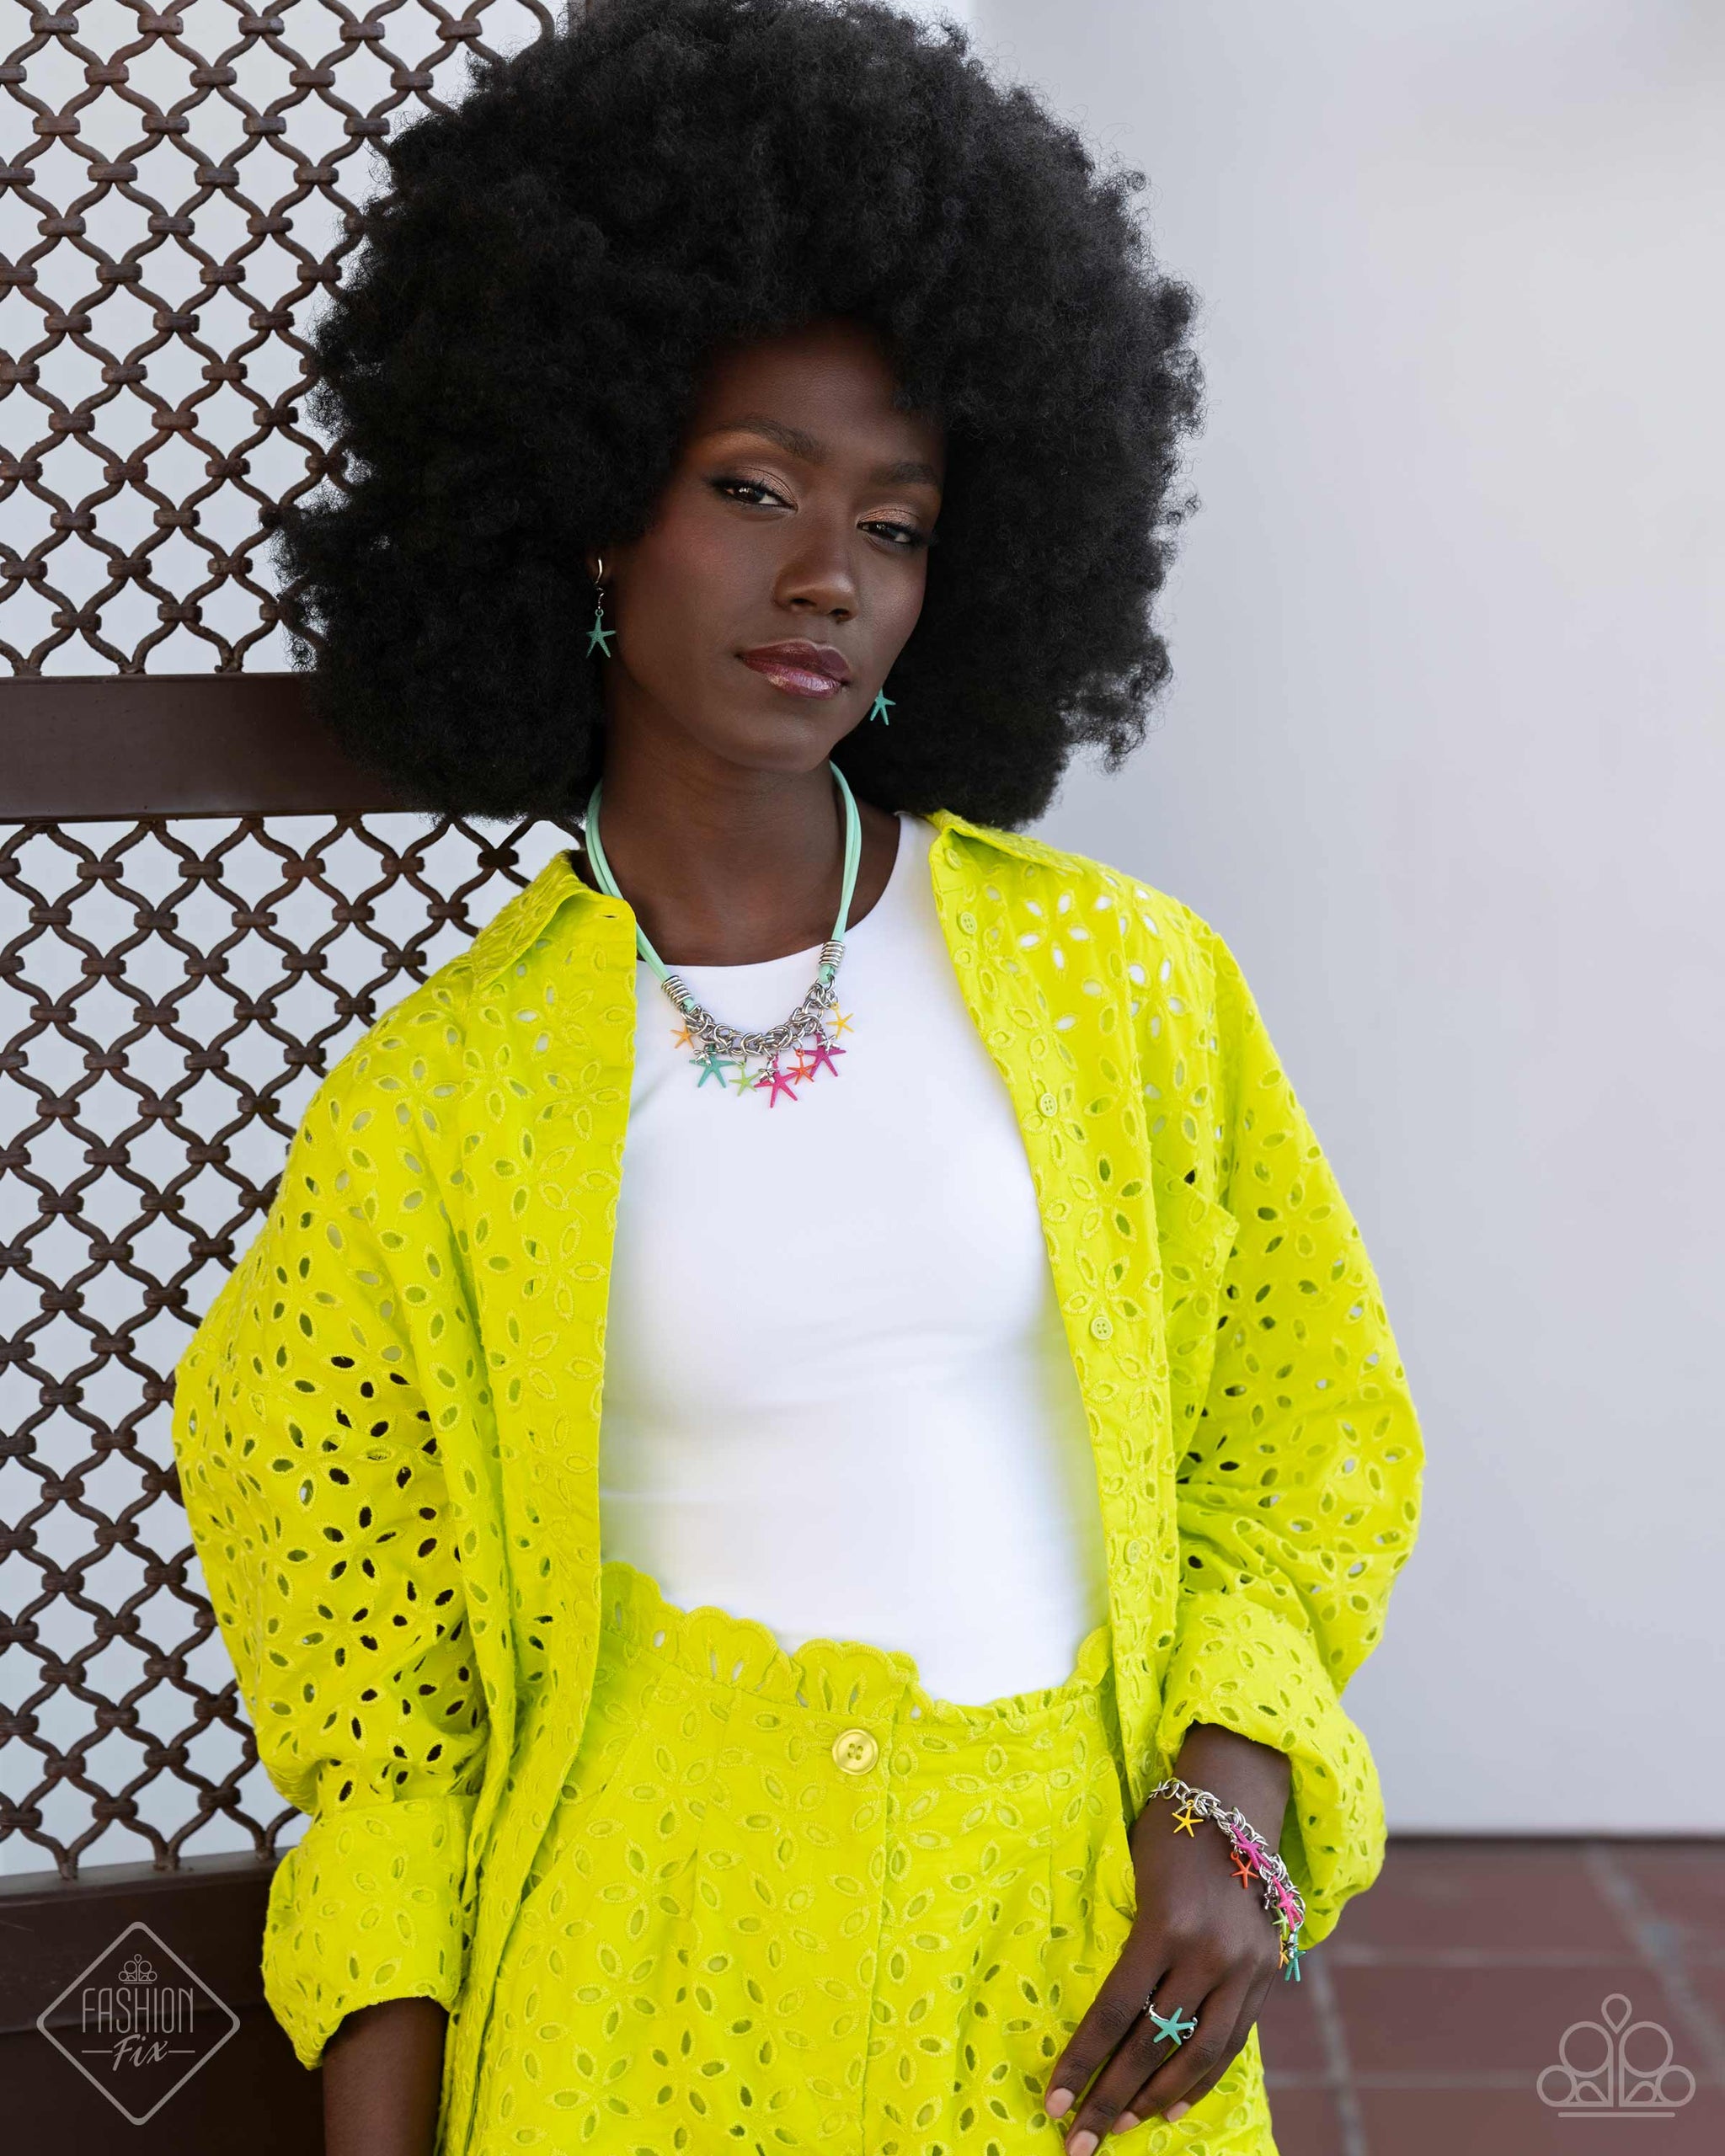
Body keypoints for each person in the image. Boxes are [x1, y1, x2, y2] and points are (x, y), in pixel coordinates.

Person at [170, 4, 1423, 2153]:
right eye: (750, 488)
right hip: (628, 1995)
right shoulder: (434, 1104)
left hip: (1057, 1986)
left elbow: (1300, 1432)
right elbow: (382, 1721)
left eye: (898, 526)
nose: (828, 577)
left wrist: (1233, 1789)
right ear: (588, 511)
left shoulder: (1121, 984)